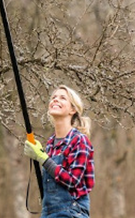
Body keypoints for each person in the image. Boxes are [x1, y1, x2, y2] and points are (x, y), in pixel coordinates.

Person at [24, 85, 95, 218]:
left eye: (62, 98)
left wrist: (42, 158)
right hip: (48, 213)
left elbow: (73, 181)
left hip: (72, 212)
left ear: (73, 109)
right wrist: (40, 155)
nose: (55, 100)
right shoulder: (51, 143)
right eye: (53, 97)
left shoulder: (79, 140)